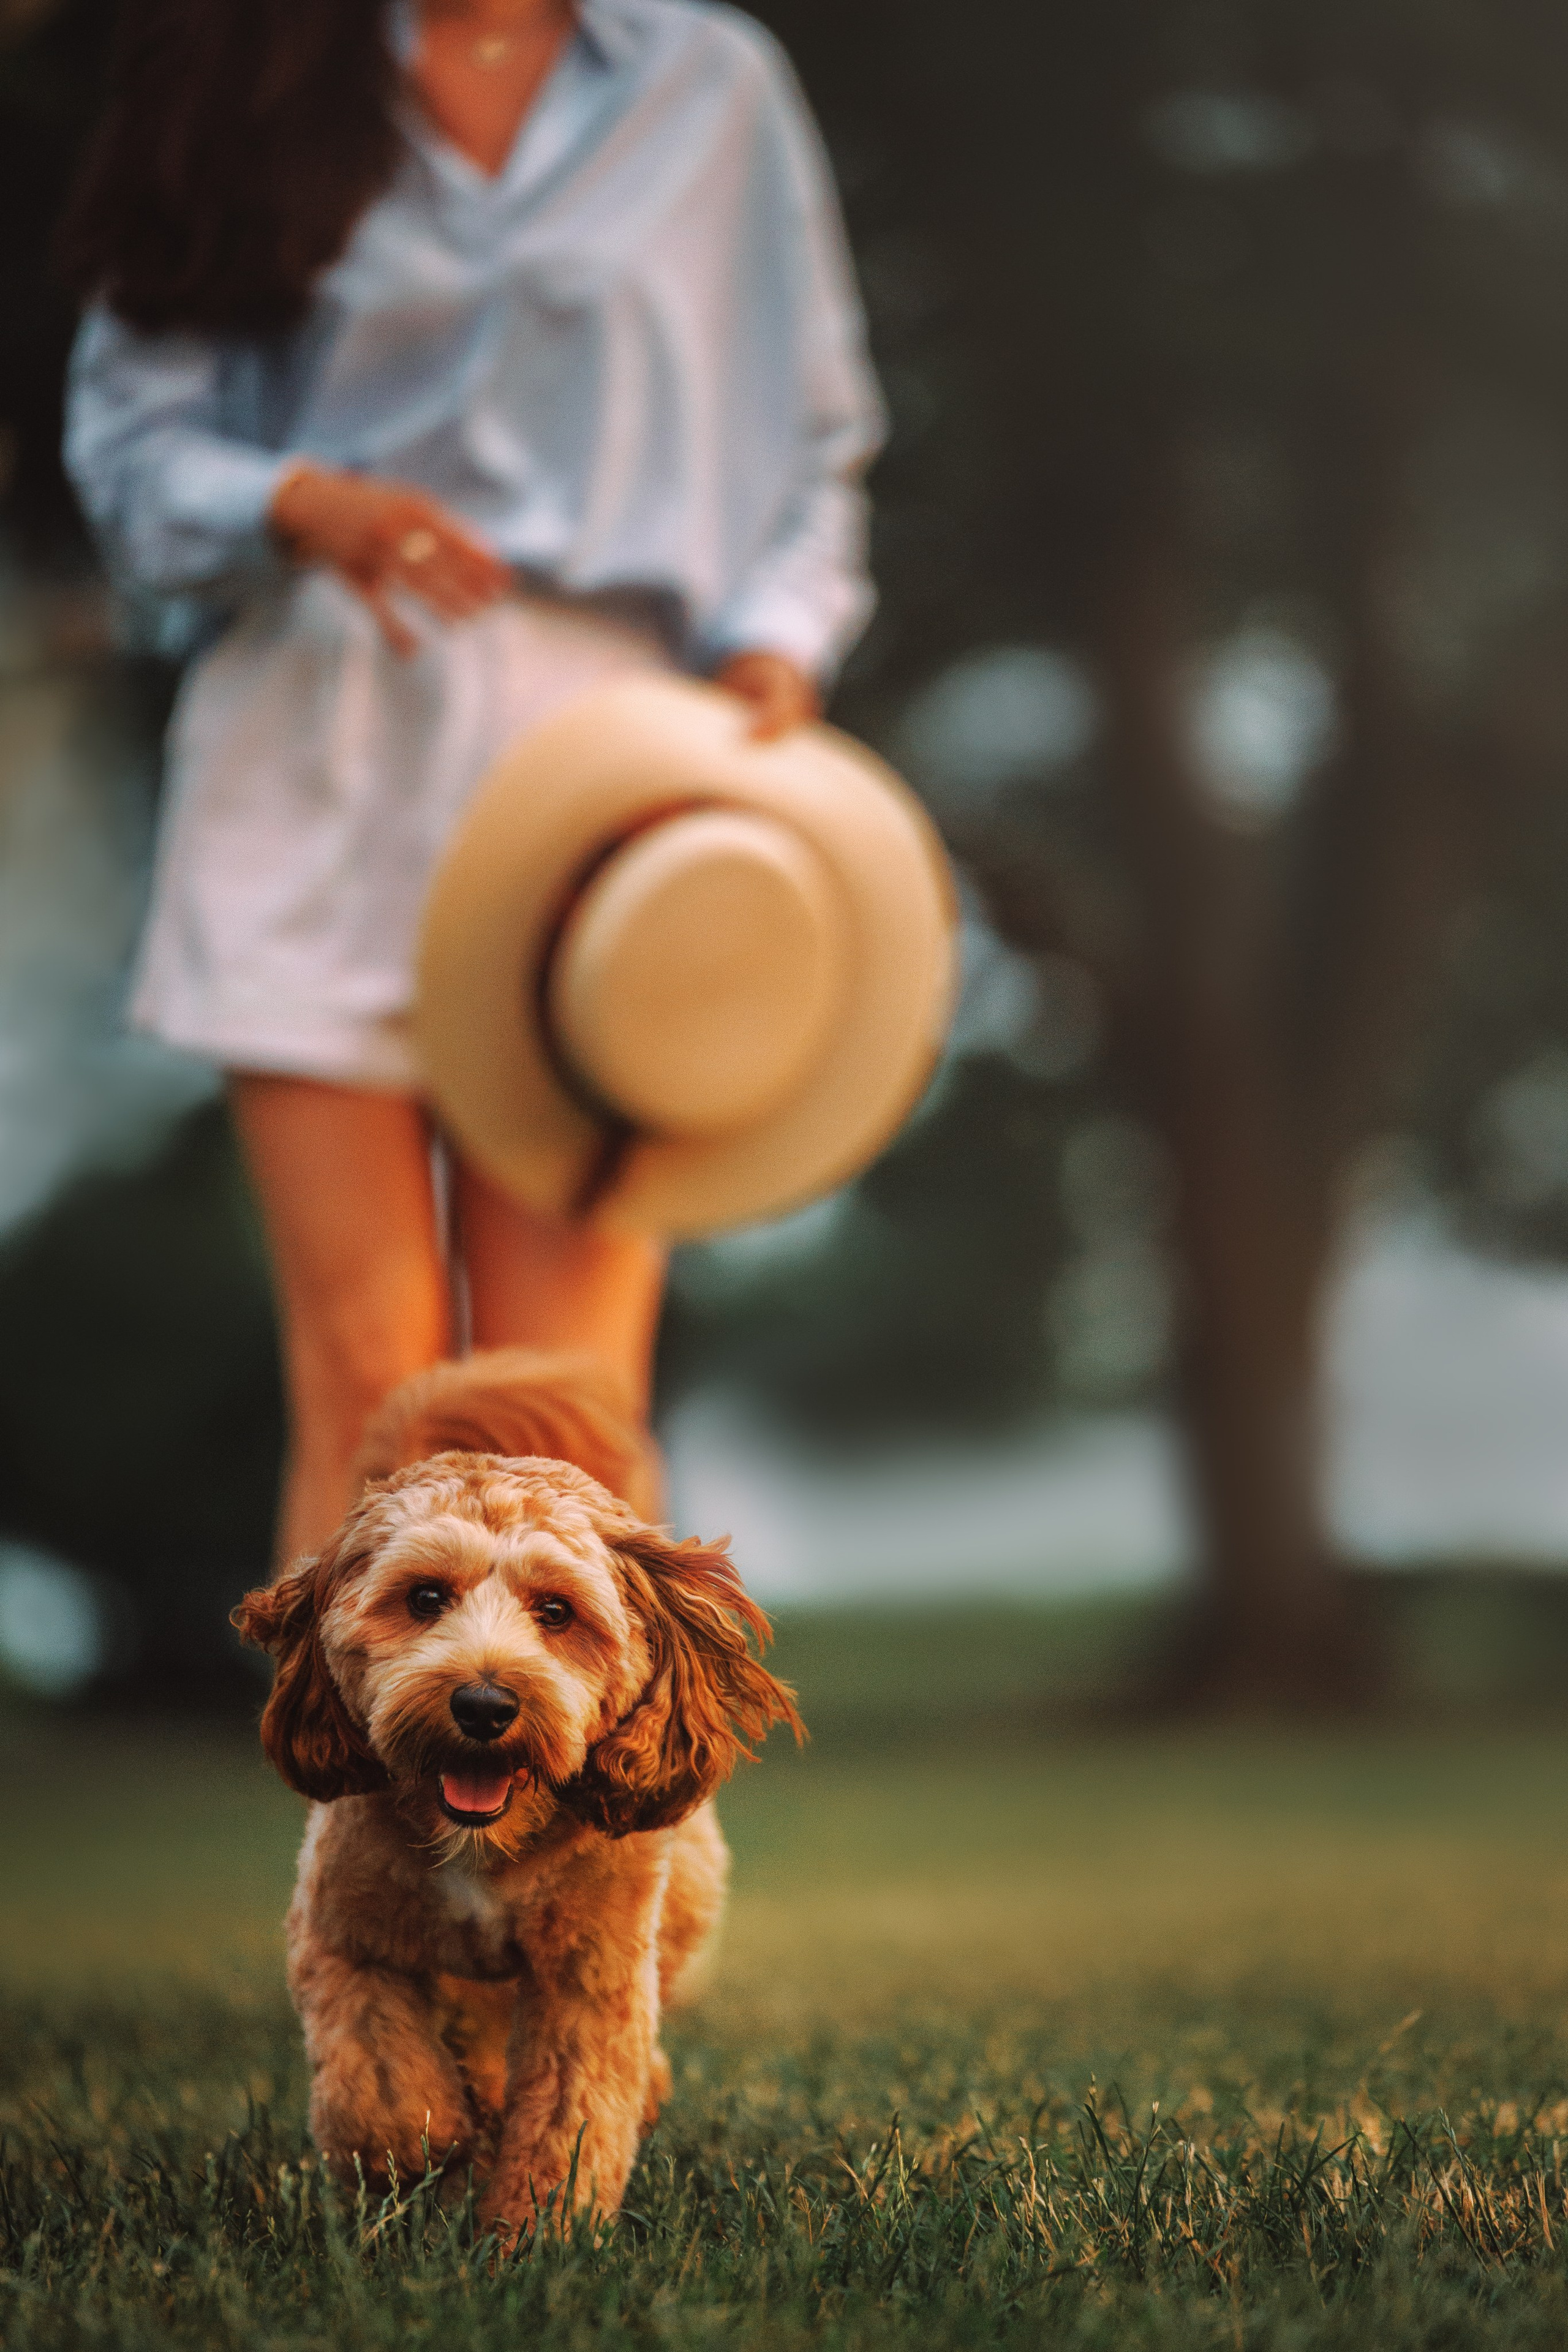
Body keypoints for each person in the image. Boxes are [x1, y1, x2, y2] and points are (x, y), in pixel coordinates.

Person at [59, 0, 883, 1563]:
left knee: (567, 1408)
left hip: (606, 787)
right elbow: (132, 456)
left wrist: (776, 643)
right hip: (321, 750)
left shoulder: (707, 85)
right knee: (369, 1380)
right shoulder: (249, 65)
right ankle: (362, 1737)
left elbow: (814, 443)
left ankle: (597, 1735)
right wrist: (296, 499)